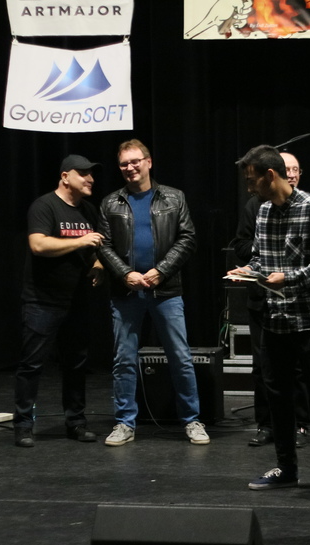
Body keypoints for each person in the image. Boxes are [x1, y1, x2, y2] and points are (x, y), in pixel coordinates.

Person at [230, 144, 310, 490]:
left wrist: (288, 278)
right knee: (278, 394)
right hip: (276, 319)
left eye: (252, 180)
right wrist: (249, 271)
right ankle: (286, 467)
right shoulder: (263, 212)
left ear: (270, 175)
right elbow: (262, 258)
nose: (249, 187)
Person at [97, 139, 210, 447]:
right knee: (124, 360)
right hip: (126, 292)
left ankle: (192, 420)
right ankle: (124, 422)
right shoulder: (110, 203)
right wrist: (125, 274)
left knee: (180, 357)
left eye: (135, 161)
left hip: (167, 290)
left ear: (148, 162)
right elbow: (104, 245)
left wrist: (161, 271)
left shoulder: (174, 197)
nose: (130, 168)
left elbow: (188, 238)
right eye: (124, 164)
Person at [13, 154, 106, 448]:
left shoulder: (88, 210)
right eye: (83, 173)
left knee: (76, 364)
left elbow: (94, 249)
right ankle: (23, 425)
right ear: (65, 176)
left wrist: (97, 265)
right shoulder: (45, 206)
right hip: (42, 301)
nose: (90, 179)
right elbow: (38, 244)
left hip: (76, 300)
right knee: (32, 365)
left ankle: (76, 422)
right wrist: (81, 241)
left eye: (92, 174)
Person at [229, 150, 310, 448]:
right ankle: (266, 424)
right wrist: (256, 262)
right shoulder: (257, 207)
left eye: (295, 169)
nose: (291, 174)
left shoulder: (309, 207)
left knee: (296, 367)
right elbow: (241, 245)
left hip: (293, 298)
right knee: (262, 366)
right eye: (287, 169)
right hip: (262, 299)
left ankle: (299, 424)